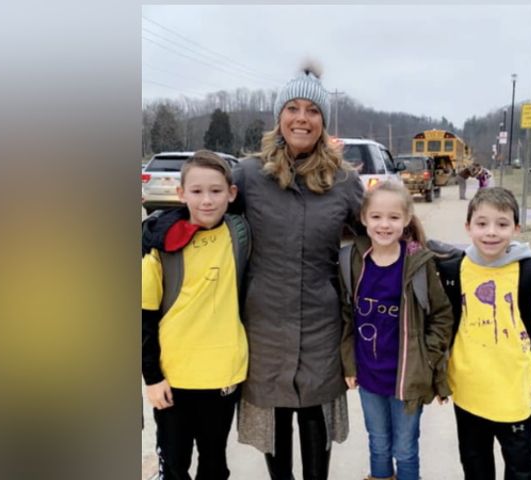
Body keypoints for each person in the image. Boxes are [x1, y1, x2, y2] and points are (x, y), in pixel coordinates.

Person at [231, 63, 364, 480]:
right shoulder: (249, 174)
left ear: (323, 122)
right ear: (279, 117)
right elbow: (208, 215)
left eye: (312, 110)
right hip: (265, 321)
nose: (301, 118)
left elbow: (380, 230)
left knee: (314, 418)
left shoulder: (342, 181)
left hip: (321, 321)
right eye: (293, 108)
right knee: (275, 421)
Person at [141, 150, 250, 480]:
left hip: (223, 373)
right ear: (181, 194)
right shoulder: (159, 247)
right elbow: (142, 318)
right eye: (197, 191)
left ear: (231, 194)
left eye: (216, 191)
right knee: (174, 463)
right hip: (174, 378)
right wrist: (152, 377)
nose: (207, 201)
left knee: (215, 462)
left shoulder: (240, 235)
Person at [339, 181, 453, 480]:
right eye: (376, 216)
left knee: (405, 448)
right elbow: (347, 316)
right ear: (364, 219)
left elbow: (442, 315)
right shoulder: (353, 261)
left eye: (393, 217)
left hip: (408, 377)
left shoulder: (418, 262)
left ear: (406, 220)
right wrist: (350, 363)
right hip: (369, 376)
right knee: (377, 444)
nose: (384, 224)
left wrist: (427, 356)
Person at [447, 187, 531, 480]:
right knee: (475, 466)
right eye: (482, 223)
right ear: (468, 227)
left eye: (502, 224)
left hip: (514, 394)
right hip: (467, 390)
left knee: (521, 468)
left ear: (516, 227)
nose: (491, 232)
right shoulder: (454, 270)